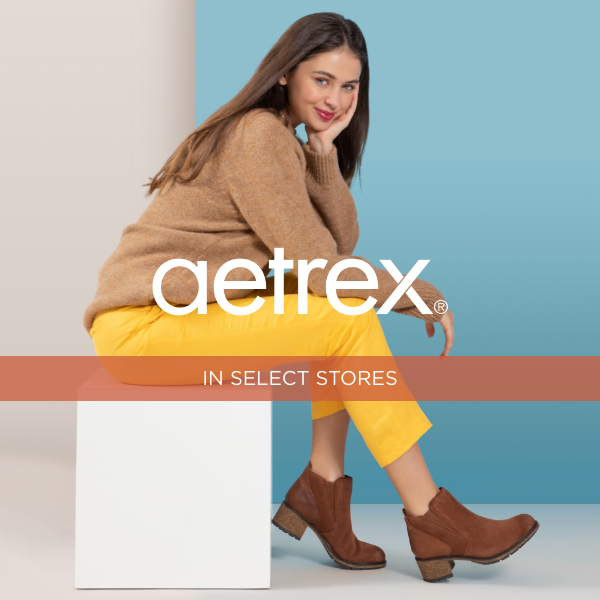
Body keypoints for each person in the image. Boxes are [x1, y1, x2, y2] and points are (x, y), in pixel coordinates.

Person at [84, 12, 538, 583]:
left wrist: (323, 151)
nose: (336, 99)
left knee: (335, 317)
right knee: (342, 318)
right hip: (142, 329)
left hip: (180, 319)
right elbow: (320, 266)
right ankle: (429, 512)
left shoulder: (283, 140)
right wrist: (414, 293)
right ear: (285, 74)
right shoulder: (257, 137)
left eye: (349, 86)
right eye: (321, 80)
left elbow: (335, 246)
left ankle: (324, 485)